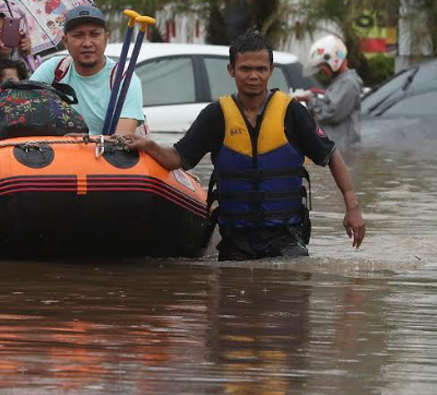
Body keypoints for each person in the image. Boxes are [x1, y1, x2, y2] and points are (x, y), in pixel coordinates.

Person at [124, 31, 366, 261]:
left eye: (261, 69)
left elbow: (331, 155)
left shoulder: (292, 112)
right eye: (245, 69)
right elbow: (178, 158)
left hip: (286, 239)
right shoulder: (216, 115)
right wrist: (148, 146)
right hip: (235, 242)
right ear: (231, 70)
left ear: (271, 70)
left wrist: (352, 207)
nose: (254, 76)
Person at [29, 4, 144, 135]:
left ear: (106, 39)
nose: (87, 43)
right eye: (78, 36)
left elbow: (122, 138)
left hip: (106, 149)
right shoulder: (54, 70)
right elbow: (24, 108)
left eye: (95, 35)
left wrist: (82, 142)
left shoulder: (124, 79)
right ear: (65, 42)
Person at [296, 35, 363, 150]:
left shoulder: (349, 83)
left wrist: (310, 99)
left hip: (342, 151)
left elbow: (330, 114)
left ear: (333, 61)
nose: (322, 70)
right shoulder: (340, 82)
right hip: (335, 149)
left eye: (323, 66)